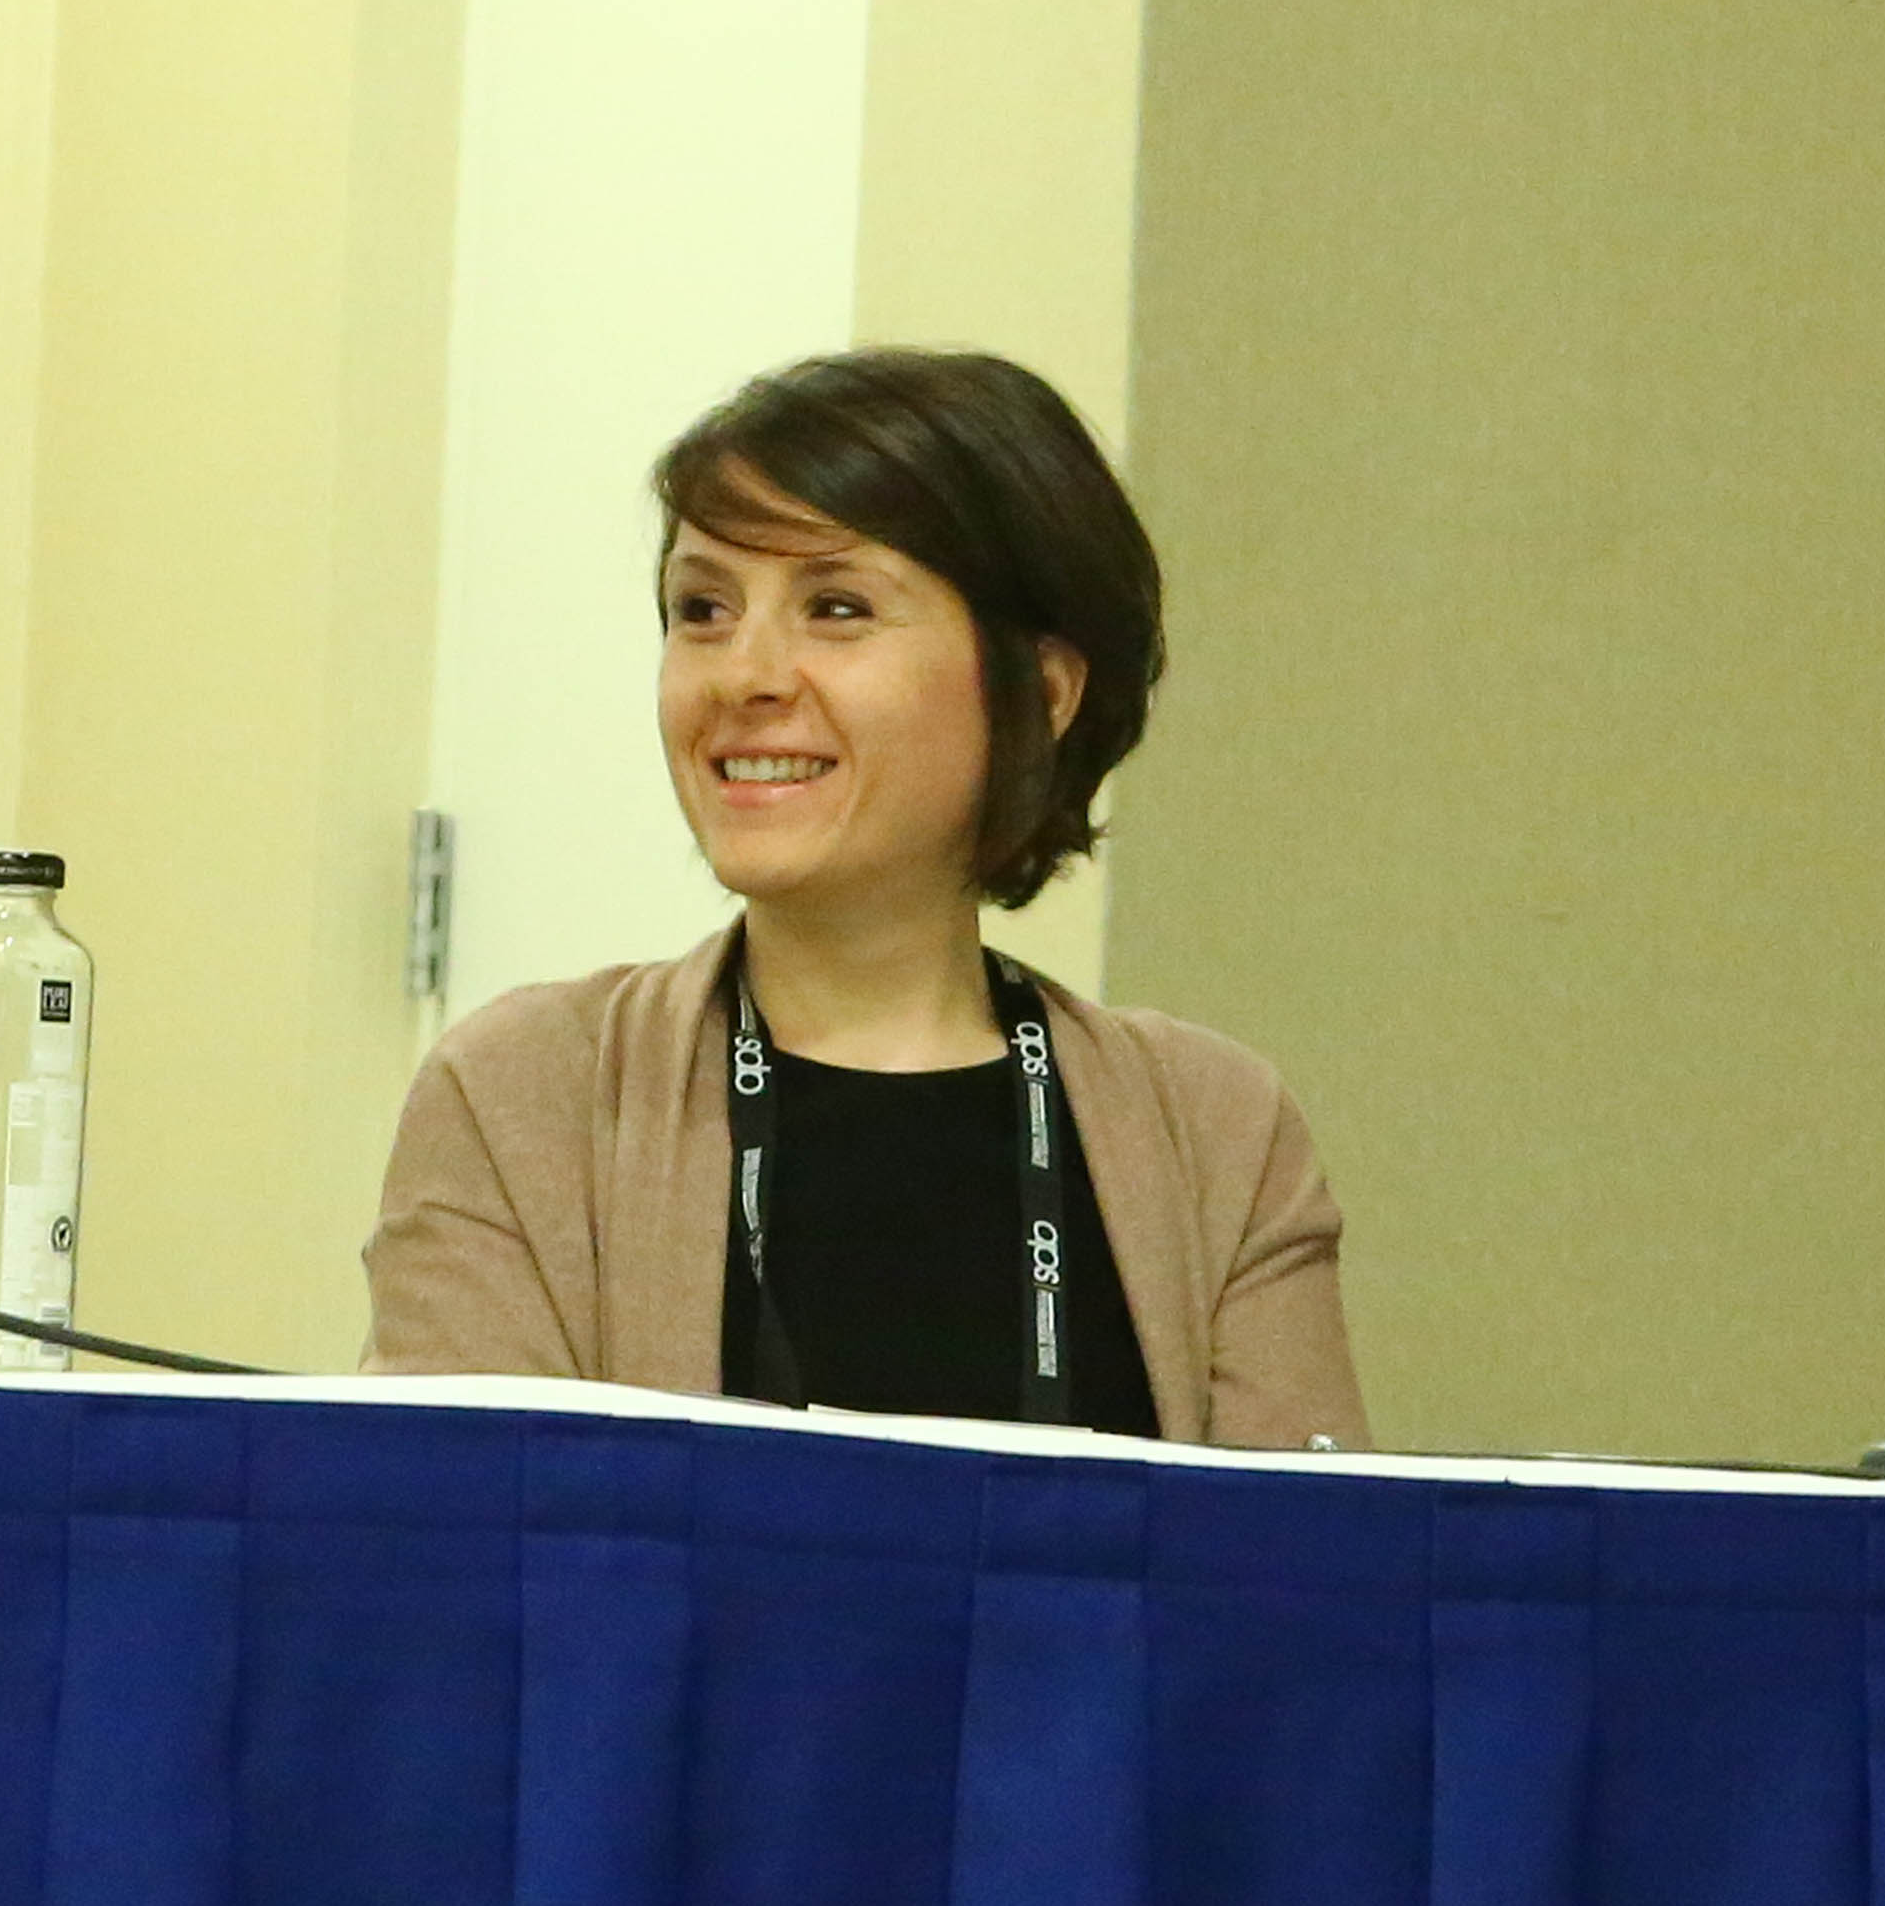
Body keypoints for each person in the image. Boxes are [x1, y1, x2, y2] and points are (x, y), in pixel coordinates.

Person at [362, 347, 1367, 1443]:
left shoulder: (1216, 1135)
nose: (744, 675)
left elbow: (1300, 1553)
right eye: (702, 608)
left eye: (835, 607)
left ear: (1041, 690)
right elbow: (457, 1537)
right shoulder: (524, 1097)